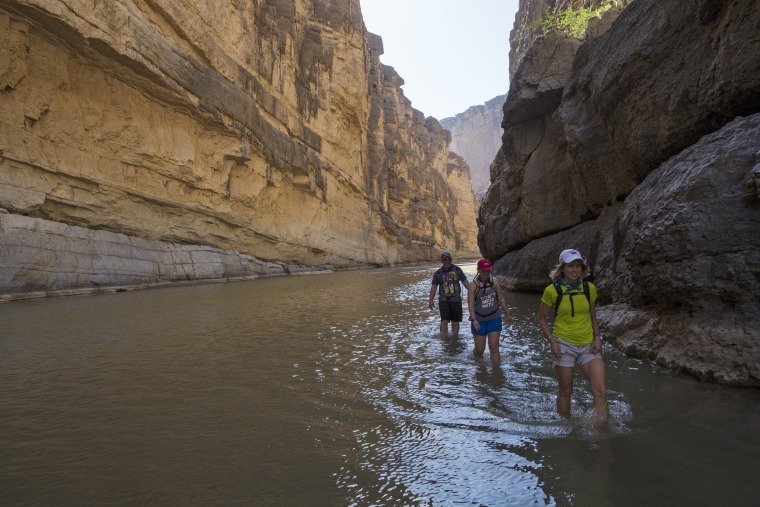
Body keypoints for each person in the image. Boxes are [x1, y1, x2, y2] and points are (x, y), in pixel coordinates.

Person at [537, 248, 607, 421]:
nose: (575, 270)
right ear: (562, 268)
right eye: (571, 266)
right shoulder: (552, 291)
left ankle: (601, 435)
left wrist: (597, 337)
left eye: (578, 266)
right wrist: (552, 341)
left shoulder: (589, 288)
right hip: (564, 344)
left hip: (588, 344)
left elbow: (592, 316)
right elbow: (541, 318)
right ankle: (565, 427)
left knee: (601, 391)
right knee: (566, 390)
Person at [467, 258, 512, 362]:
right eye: (484, 270)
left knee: (494, 347)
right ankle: (479, 368)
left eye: (488, 270)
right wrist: (474, 320)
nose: (487, 273)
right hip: (479, 319)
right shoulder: (473, 285)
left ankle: (496, 373)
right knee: (479, 349)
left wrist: (507, 314)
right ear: (478, 270)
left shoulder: (495, 281)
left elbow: (501, 298)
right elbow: (470, 304)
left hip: (494, 317)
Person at [429, 251, 468, 336]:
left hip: (456, 299)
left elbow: (465, 283)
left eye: (449, 259)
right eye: (445, 259)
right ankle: (444, 339)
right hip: (443, 300)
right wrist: (431, 300)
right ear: (442, 261)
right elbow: (434, 287)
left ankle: (454, 338)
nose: (447, 261)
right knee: (444, 320)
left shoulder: (458, 270)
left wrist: (474, 294)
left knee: (455, 320)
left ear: (451, 259)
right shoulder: (438, 273)